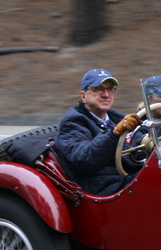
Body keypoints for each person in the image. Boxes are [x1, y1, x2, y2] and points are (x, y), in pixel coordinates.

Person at [55, 68, 142, 196]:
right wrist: (115, 133)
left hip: (128, 176)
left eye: (110, 89)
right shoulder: (72, 123)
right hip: (107, 187)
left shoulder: (115, 118)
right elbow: (86, 158)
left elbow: (140, 141)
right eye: (98, 89)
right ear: (83, 96)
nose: (106, 94)